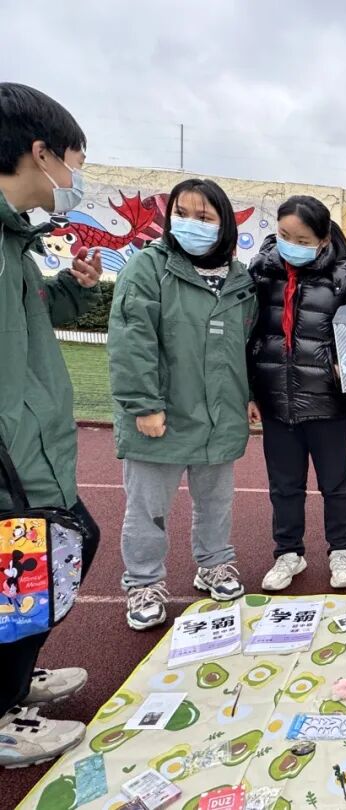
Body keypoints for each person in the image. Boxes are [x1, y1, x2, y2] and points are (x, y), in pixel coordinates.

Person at [0, 83, 103, 767]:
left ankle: (14, 681)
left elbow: (27, 312)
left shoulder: (16, 241)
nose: (76, 179)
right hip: (12, 456)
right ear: (41, 154)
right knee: (25, 574)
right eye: (75, 162)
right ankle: (4, 710)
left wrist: (71, 288)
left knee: (48, 562)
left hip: (29, 446)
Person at [108, 178, 257, 630]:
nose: (192, 224)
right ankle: (144, 582)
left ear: (224, 224)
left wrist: (249, 395)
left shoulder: (240, 280)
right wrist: (143, 404)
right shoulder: (148, 267)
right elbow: (132, 339)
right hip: (163, 413)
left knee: (216, 502)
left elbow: (245, 346)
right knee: (148, 508)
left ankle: (214, 563)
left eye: (205, 217)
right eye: (182, 214)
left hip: (220, 413)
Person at [248, 195, 346, 592]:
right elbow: (249, 335)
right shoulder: (261, 274)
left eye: (301, 240)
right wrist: (250, 392)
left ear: (323, 239)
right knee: (284, 485)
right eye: (284, 235)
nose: (290, 245)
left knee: (336, 483)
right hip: (275, 397)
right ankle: (288, 553)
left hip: (327, 400)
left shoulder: (344, 279)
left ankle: (341, 551)